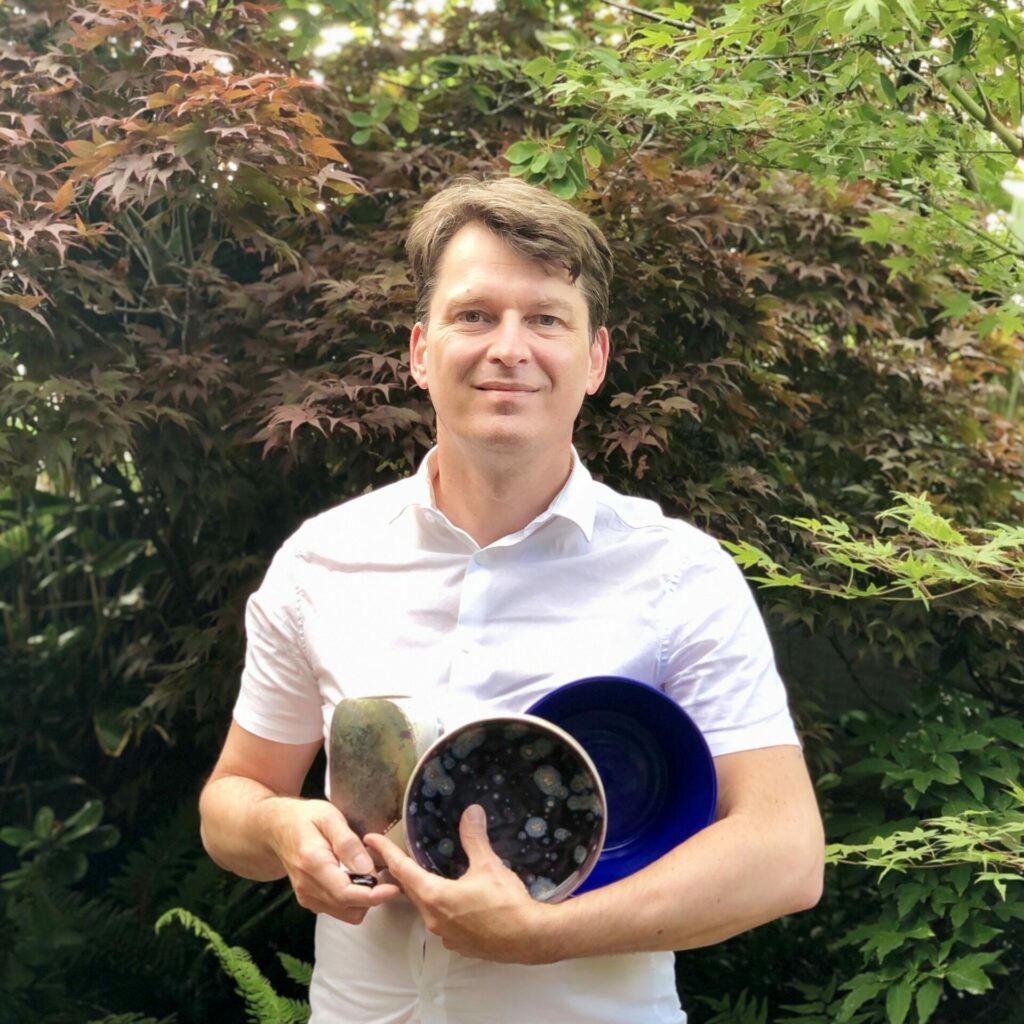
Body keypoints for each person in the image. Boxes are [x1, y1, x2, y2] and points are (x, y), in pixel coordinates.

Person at [199, 176, 825, 1024]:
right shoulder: (320, 563)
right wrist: (280, 831)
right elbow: (231, 800)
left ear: (594, 359)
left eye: (545, 319)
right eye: (474, 314)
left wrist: (544, 933)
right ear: (421, 351)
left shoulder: (681, 573)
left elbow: (785, 855)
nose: (509, 347)